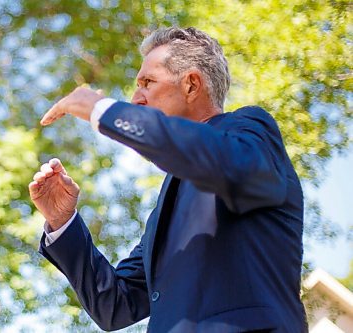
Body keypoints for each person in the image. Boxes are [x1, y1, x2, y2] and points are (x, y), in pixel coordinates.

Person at [29, 27, 307, 332]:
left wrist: (102, 110)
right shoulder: (166, 209)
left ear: (191, 85)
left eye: (148, 82)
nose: (135, 99)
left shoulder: (249, 131)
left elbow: (219, 162)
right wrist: (62, 221)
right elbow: (115, 305)